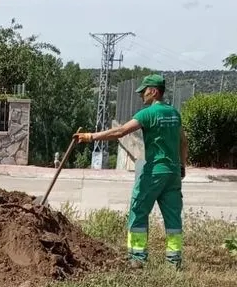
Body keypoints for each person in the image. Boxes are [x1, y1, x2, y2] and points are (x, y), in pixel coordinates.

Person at [75, 74, 188, 269]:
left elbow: (120, 132)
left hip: (154, 172)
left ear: (153, 91)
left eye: (143, 91)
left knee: (138, 210)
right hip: (173, 173)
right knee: (173, 217)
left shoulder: (147, 114)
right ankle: (174, 261)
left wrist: (90, 136)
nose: (141, 96)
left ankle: (138, 257)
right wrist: (182, 166)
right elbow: (184, 141)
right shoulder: (174, 113)